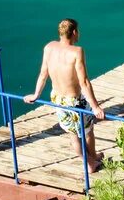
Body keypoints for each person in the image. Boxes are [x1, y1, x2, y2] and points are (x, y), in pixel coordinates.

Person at [24, 18, 106, 173]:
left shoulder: (49, 47)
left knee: (73, 134)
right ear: (74, 32)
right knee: (88, 131)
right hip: (75, 101)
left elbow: (43, 74)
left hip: (57, 98)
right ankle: (92, 161)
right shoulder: (77, 51)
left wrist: (36, 94)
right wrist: (95, 107)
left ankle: (88, 161)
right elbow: (84, 82)